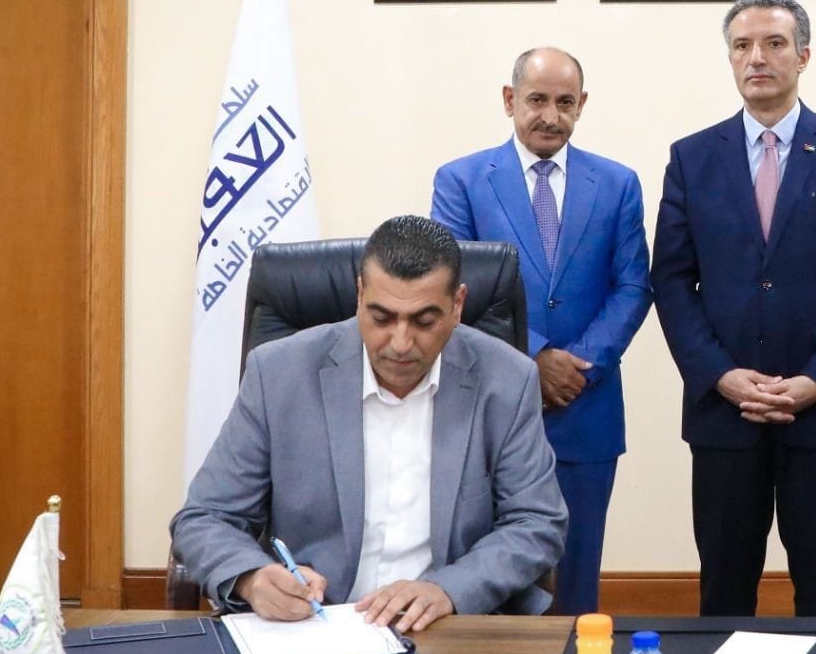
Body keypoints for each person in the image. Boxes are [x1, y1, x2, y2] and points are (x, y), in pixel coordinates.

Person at [170, 215, 567, 631]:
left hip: (446, 628)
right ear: (360, 295)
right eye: (382, 318)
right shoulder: (278, 373)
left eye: (424, 321)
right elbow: (204, 518)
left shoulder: (508, 380)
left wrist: (451, 589)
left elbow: (537, 522)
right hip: (313, 626)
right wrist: (252, 578)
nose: (400, 343)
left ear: (458, 306)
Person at [651, 0, 816, 617]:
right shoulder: (691, 158)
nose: (756, 57)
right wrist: (720, 375)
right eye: (742, 46)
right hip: (724, 413)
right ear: (730, 58)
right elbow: (672, 282)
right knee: (725, 589)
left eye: (774, 43)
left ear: (803, 56)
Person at [431, 48, 651, 615]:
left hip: (585, 406)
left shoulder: (618, 183)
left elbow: (633, 286)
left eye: (564, 102)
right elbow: (454, 288)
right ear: (510, 100)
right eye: (536, 100)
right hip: (488, 405)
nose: (550, 116)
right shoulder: (461, 181)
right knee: (486, 574)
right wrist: (534, 358)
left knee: (576, 579)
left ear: (582, 105)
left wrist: (577, 368)